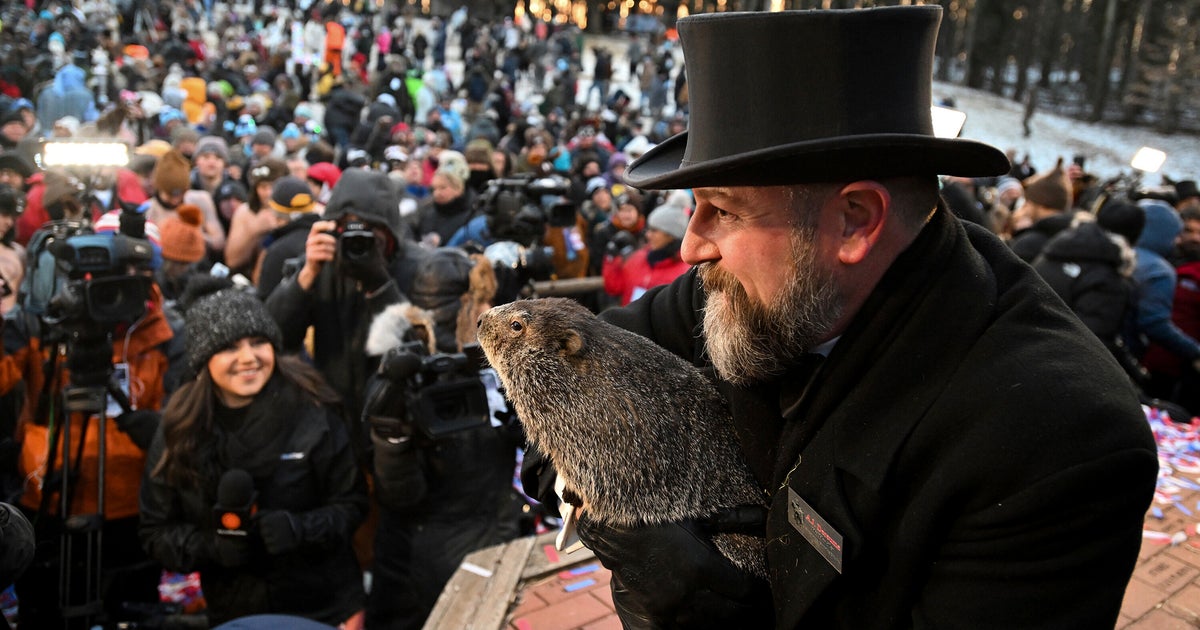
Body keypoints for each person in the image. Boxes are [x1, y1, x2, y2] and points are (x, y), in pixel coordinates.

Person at [530, 7, 1158, 628]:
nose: (692, 247)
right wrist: (583, 476)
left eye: (724, 209)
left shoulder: (1058, 441)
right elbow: (588, 362)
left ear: (855, 220)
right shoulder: (745, 286)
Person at [139, 284, 367, 628]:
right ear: (203, 358)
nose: (248, 358)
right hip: (235, 613)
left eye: (258, 342)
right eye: (230, 347)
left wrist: (300, 529)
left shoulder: (313, 409)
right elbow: (156, 531)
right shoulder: (180, 429)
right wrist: (213, 547)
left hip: (327, 606)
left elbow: (352, 504)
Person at [602, 202, 691, 307]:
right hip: (629, 321)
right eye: (648, 229)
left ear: (671, 235)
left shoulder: (685, 272)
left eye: (654, 231)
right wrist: (611, 258)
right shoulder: (638, 258)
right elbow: (614, 287)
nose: (648, 235)